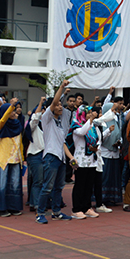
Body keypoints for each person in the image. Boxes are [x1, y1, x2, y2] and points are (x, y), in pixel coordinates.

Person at [36, 80, 73, 224]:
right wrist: (62, 88)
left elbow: (62, 143)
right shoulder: (46, 119)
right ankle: (40, 213)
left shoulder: (60, 123)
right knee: (47, 187)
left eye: (60, 106)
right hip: (51, 157)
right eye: (57, 105)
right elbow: (54, 102)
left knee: (58, 187)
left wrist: (71, 158)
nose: (60, 107)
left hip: (61, 158)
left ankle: (56, 212)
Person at [69, 106, 108, 219]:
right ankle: (76, 209)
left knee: (89, 185)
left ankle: (86, 207)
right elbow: (82, 132)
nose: (91, 115)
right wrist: (90, 120)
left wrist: (96, 148)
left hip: (92, 160)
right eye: (88, 113)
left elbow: (97, 139)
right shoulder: (76, 124)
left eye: (91, 113)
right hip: (80, 160)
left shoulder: (91, 126)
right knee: (80, 185)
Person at [0, 101, 24, 217]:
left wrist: (22, 158)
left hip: (16, 159)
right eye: (11, 111)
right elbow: (3, 119)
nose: (13, 113)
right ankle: (1, 208)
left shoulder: (18, 124)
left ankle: (13, 207)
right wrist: (11, 107)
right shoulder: (0, 125)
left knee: (15, 184)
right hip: (3, 159)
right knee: (2, 184)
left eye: (14, 111)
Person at [25, 97, 46, 213]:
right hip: (35, 154)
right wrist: (40, 103)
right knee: (37, 181)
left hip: (44, 154)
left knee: (41, 180)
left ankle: (35, 202)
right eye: (41, 111)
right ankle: (36, 204)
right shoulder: (33, 126)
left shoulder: (47, 125)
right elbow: (35, 118)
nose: (43, 113)